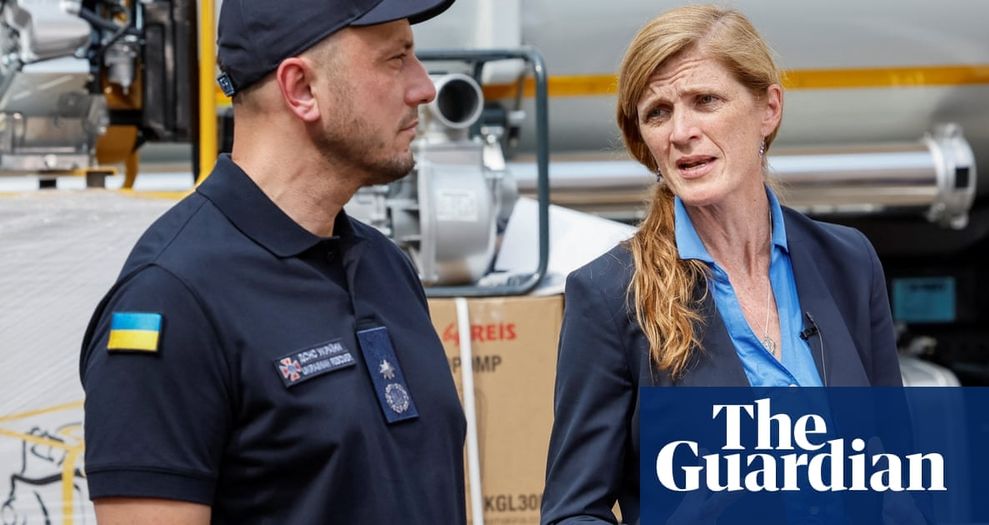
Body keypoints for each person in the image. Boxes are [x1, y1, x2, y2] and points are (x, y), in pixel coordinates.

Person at [79, 0, 465, 523]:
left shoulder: (385, 266)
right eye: (396, 59)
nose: (424, 87)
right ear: (301, 88)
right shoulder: (172, 299)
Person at [541, 5, 902, 524]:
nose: (681, 131)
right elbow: (572, 512)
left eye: (705, 101)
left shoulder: (848, 261)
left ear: (768, 109)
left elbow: (897, 470)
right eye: (657, 113)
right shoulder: (609, 293)